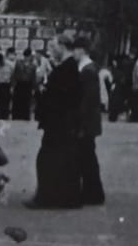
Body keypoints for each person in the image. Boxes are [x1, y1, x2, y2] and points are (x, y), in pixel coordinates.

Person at [26, 36, 82, 209]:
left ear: (63, 46)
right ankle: (64, 197)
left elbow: (59, 97)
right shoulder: (68, 67)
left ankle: (47, 197)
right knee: (62, 159)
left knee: (48, 159)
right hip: (63, 122)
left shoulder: (65, 69)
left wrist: (43, 93)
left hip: (58, 122)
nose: (50, 49)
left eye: (53, 46)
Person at [74, 37, 106, 206]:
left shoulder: (88, 70)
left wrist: (80, 121)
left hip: (86, 123)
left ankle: (93, 193)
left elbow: (87, 100)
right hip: (89, 122)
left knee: (87, 157)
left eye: (75, 49)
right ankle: (91, 192)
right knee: (87, 157)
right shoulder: (88, 68)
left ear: (82, 50)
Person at [11, 49, 36, 121]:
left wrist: (33, 88)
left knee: (26, 100)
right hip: (19, 84)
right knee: (17, 100)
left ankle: (25, 116)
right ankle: (16, 115)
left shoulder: (33, 66)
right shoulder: (18, 63)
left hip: (28, 85)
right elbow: (14, 75)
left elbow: (33, 77)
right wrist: (13, 86)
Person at [0, 50, 15, 121]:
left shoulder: (10, 65)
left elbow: (13, 76)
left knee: (6, 100)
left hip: (6, 85)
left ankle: (5, 115)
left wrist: (12, 86)